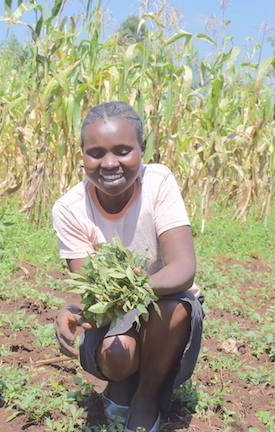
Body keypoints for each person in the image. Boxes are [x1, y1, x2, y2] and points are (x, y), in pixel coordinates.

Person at [52, 101, 204, 432]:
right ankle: (125, 378)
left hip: (166, 301)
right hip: (116, 310)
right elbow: (94, 291)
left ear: (142, 149)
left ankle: (146, 397)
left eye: (123, 151)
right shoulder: (69, 209)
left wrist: (139, 287)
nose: (109, 163)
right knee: (117, 357)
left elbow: (182, 268)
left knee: (172, 307)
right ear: (82, 154)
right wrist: (74, 308)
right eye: (96, 153)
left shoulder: (158, 182)